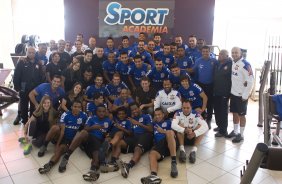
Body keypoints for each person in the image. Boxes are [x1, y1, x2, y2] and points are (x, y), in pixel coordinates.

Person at [58, 105, 112, 181]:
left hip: (97, 143)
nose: (101, 113)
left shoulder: (108, 121)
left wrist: (107, 137)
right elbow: (85, 129)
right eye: (99, 111)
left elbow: (108, 133)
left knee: (96, 156)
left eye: (103, 111)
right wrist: (94, 127)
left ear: (106, 112)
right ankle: (66, 156)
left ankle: (92, 171)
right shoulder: (91, 118)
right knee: (83, 132)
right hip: (88, 139)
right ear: (96, 112)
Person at [37, 100, 87, 173]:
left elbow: (87, 126)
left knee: (60, 151)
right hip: (60, 135)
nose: (77, 108)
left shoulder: (84, 115)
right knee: (55, 127)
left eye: (79, 107)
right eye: (75, 107)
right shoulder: (66, 114)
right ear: (71, 107)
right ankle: (44, 146)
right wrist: (57, 145)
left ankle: (49, 165)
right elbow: (62, 131)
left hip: (68, 140)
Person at [111, 103, 153, 178]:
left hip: (145, 136)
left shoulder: (146, 116)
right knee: (119, 143)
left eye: (135, 109)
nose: (134, 111)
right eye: (132, 110)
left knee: (137, 148)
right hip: (134, 137)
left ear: (139, 108)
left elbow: (151, 129)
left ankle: (128, 166)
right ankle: (113, 161)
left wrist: (137, 123)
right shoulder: (130, 119)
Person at [140, 108, 178, 184]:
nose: (157, 116)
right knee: (152, 154)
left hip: (170, 143)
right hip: (160, 146)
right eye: (156, 115)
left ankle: (173, 162)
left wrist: (163, 131)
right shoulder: (153, 124)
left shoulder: (169, 122)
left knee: (169, 132)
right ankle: (153, 177)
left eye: (159, 114)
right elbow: (148, 128)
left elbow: (174, 134)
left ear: (163, 114)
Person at [227, 47, 254, 143]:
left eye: (236, 53)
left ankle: (241, 135)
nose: (234, 54)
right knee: (234, 113)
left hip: (241, 96)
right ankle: (235, 132)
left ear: (240, 53)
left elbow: (250, 81)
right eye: (232, 52)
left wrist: (245, 95)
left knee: (242, 115)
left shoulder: (246, 65)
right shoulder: (233, 63)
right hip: (233, 93)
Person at [13, 47, 45, 125]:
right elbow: (16, 75)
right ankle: (24, 121)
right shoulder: (22, 61)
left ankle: (31, 121)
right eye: (29, 52)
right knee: (24, 105)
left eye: (33, 52)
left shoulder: (38, 63)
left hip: (35, 88)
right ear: (26, 53)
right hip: (23, 87)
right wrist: (17, 87)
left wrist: (40, 87)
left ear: (35, 53)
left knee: (33, 105)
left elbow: (42, 76)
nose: (31, 54)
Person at [189, 46, 218, 128]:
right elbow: (192, 70)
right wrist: (182, 70)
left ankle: (209, 119)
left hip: (211, 85)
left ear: (210, 52)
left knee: (210, 103)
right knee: (201, 102)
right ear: (201, 52)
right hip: (201, 85)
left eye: (207, 51)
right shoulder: (198, 61)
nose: (205, 53)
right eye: (203, 51)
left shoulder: (214, 61)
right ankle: (202, 119)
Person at [213, 50, 232, 137]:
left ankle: (223, 131)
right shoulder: (217, 63)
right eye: (219, 54)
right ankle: (219, 126)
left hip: (224, 92)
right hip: (216, 91)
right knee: (217, 109)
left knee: (223, 112)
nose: (219, 55)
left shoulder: (230, 64)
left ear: (227, 56)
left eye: (221, 54)